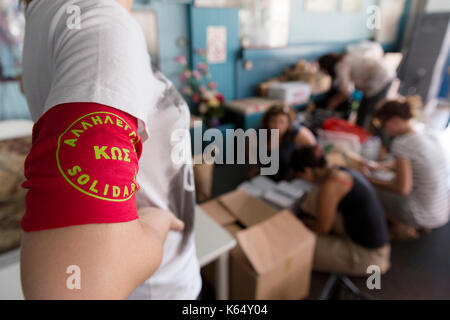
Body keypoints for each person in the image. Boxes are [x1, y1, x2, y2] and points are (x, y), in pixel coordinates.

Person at [20, 0, 201, 299]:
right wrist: (156, 224)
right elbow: (68, 290)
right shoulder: (99, 24)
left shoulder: (45, 17)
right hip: (160, 288)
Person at [291, 145, 390, 276]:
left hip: (369, 257)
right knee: (315, 199)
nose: (301, 179)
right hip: (378, 244)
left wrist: (301, 225)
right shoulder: (341, 171)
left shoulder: (332, 185)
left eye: (300, 175)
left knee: (295, 246)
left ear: (308, 170)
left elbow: (322, 229)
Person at [362, 99, 450, 239]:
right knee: (385, 176)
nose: (384, 130)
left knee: (367, 187)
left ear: (396, 120)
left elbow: (402, 188)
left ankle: (401, 225)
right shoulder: (427, 134)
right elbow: (414, 164)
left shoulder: (402, 143)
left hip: (419, 215)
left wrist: (369, 180)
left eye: (384, 125)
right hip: (440, 213)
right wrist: (379, 165)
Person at [318, 50, 395, 129]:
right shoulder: (348, 57)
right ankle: (363, 132)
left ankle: (361, 134)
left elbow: (346, 91)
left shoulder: (340, 66)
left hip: (380, 79)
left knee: (367, 112)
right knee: (367, 110)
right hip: (387, 74)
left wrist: (332, 104)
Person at [248, 104, 316, 181]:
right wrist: (254, 168)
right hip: (264, 177)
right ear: (267, 122)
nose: (277, 126)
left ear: (288, 123)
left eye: (282, 122)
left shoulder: (299, 134)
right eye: (273, 121)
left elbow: (314, 154)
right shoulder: (259, 134)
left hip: (289, 178)